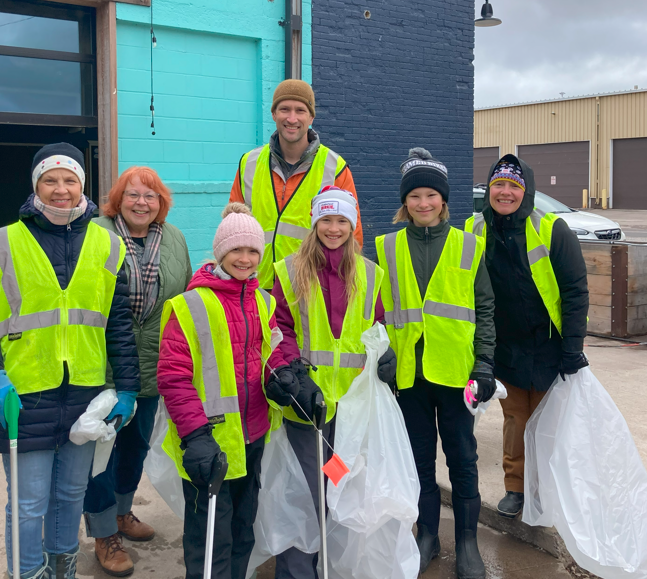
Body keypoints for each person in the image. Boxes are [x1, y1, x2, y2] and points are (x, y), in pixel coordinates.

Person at [0, 143, 139, 579]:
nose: (61, 189)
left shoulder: (107, 245)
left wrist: (128, 387)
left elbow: (118, 324)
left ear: (82, 185)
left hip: (84, 395)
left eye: (70, 180)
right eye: (50, 180)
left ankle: (61, 569)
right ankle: (26, 573)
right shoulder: (5, 243)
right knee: (29, 502)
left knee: (70, 494)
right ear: (35, 186)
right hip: (24, 394)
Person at [157, 202, 300, 579]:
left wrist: (281, 377)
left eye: (253, 250)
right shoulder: (188, 305)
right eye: (237, 249)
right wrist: (195, 435)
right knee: (209, 540)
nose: (245, 258)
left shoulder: (263, 301)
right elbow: (173, 377)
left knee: (242, 530)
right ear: (220, 251)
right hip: (209, 442)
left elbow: (270, 354)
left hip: (253, 435)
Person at [376, 148, 496, 579]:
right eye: (415, 196)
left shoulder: (468, 245)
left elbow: (484, 308)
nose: (423, 203)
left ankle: (467, 542)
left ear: (444, 200)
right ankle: (427, 533)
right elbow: (378, 311)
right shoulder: (386, 247)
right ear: (404, 202)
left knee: (463, 459)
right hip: (407, 375)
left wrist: (484, 364)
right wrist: (385, 353)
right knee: (418, 459)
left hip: (455, 372)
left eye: (431, 195)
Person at [272, 186, 392, 579]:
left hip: (351, 409)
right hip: (306, 404)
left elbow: (376, 327)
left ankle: (331, 562)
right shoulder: (290, 270)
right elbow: (280, 329)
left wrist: (384, 354)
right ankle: (297, 570)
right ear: (314, 223)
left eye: (342, 220)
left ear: (353, 225)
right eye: (326, 219)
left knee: (339, 484)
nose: (334, 228)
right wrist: (294, 374)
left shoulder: (370, 273)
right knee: (306, 493)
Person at [465, 155, 589, 519]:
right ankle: (516, 488)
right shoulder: (472, 230)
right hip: (504, 347)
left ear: (526, 191)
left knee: (548, 423)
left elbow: (575, 291)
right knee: (517, 420)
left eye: (514, 186)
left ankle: (544, 489)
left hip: (549, 345)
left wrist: (573, 347)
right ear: (489, 190)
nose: (505, 192)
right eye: (498, 185)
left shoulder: (552, 230)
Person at [83, 166, 192, 576]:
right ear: (118, 198)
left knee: (136, 449)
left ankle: (123, 514)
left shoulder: (175, 239)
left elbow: (184, 294)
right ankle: (102, 532)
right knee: (101, 456)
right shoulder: (96, 233)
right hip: (104, 367)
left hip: (152, 367)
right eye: (132, 195)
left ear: (161, 201)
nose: (141, 203)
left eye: (150, 196)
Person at [229, 79, 363, 289]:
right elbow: (232, 228)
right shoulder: (249, 163)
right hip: (255, 288)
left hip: (309, 288)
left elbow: (352, 238)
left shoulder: (334, 167)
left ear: (311, 117)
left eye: (300, 110)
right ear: (273, 114)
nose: (292, 118)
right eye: (284, 109)